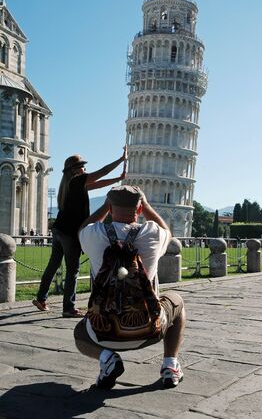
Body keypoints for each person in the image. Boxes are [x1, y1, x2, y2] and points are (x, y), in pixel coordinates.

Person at [74, 185, 186, 389]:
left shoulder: (94, 234)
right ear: (139, 209)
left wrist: (104, 208)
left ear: (110, 207)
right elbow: (167, 232)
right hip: (149, 329)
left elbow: (83, 228)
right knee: (177, 302)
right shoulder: (152, 233)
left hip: (102, 331)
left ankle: (107, 358)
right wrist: (147, 206)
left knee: (80, 332)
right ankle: (170, 365)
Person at [32, 147, 127, 317]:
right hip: (69, 232)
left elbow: (97, 184)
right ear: (75, 170)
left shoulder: (70, 185)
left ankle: (41, 298)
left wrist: (119, 178)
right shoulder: (77, 181)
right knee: (73, 269)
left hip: (59, 230)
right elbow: (102, 172)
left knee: (53, 265)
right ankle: (68, 308)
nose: (84, 168)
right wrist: (121, 159)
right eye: (82, 166)